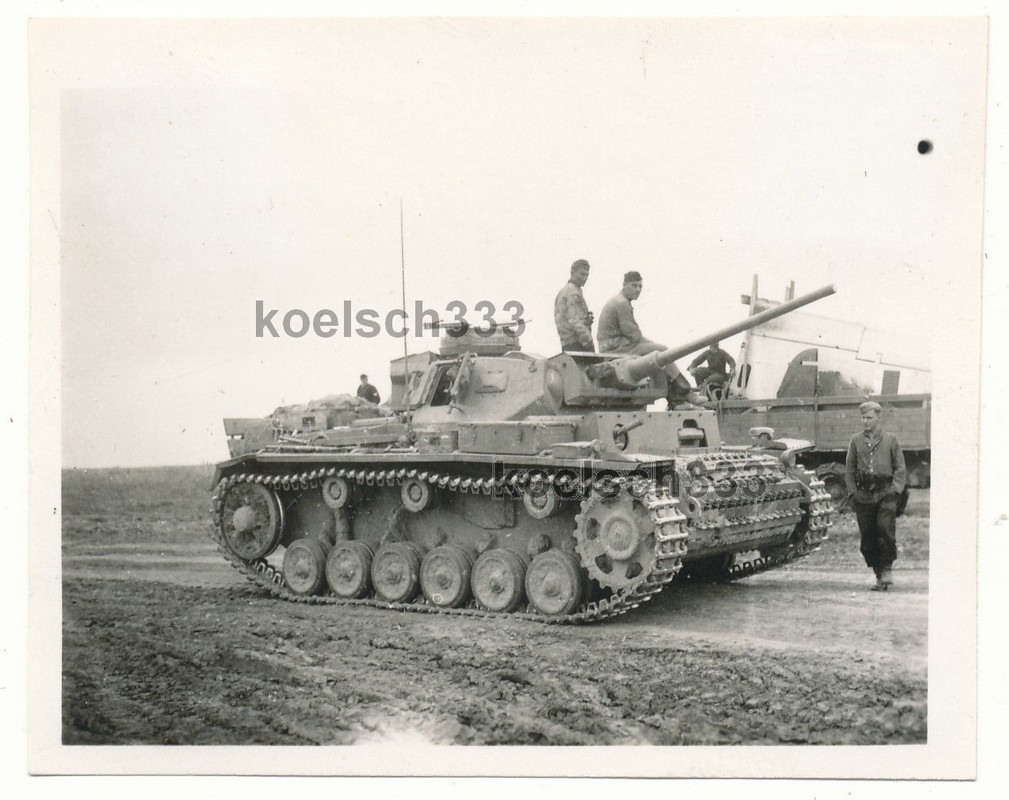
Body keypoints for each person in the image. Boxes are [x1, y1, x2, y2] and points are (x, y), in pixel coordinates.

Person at [597, 271, 695, 407]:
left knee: (659, 351)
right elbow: (634, 335)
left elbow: (634, 336)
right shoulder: (621, 304)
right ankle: (684, 391)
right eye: (634, 285)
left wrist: (652, 344)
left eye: (640, 287)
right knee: (661, 353)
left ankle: (680, 399)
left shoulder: (619, 301)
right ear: (624, 285)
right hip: (616, 347)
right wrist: (655, 346)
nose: (638, 290)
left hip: (615, 345)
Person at [845, 400, 906, 591]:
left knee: (885, 529)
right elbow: (849, 469)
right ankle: (878, 574)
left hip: (885, 493)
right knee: (867, 537)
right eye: (863, 417)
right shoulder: (855, 440)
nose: (865, 421)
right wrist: (853, 493)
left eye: (869, 417)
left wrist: (895, 490)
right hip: (863, 495)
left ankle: (887, 569)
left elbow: (900, 467)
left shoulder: (891, 440)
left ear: (878, 418)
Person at [554, 259, 595, 352]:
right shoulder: (573, 292)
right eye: (582, 274)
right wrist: (588, 342)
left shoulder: (565, 291)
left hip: (567, 343)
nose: (585, 278)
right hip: (577, 344)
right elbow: (575, 321)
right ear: (572, 272)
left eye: (587, 275)